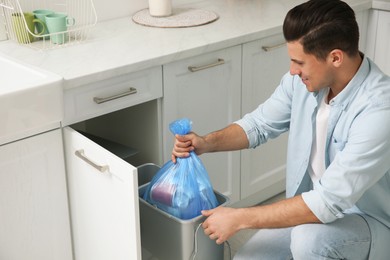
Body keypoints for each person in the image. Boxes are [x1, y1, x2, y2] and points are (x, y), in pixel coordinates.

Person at [171, 0, 390, 259]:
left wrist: (240, 218)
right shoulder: (304, 82)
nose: (292, 71)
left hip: (369, 222)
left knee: (309, 242)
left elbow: (326, 202)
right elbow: (259, 124)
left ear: (335, 58)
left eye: (300, 62)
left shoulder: (379, 110)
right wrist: (207, 142)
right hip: (310, 212)